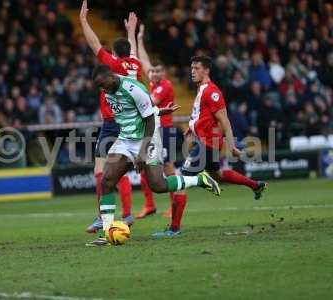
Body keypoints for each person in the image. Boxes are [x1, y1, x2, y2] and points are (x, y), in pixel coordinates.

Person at [86, 65, 221, 246]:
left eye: (104, 84)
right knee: (107, 181)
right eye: (99, 87)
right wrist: (157, 110)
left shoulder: (133, 88)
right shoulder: (107, 90)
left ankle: (200, 180)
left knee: (158, 185)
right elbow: (132, 111)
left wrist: (142, 152)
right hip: (125, 139)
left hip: (147, 137)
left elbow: (149, 121)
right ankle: (107, 232)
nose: (103, 89)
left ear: (111, 76)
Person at [152, 55, 267, 238]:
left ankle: (174, 228)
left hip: (207, 143)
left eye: (196, 68)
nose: (192, 71)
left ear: (206, 70)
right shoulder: (202, 90)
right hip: (206, 141)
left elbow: (224, 120)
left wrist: (231, 146)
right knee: (219, 174)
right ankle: (255, 185)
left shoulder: (212, 92)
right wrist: (191, 128)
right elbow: (203, 116)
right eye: (191, 68)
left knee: (180, 181)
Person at [80, 0, 140, 232]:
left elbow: (94, 44)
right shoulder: (134, 64)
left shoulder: (114, 66)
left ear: (115, 53)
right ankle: (126, 214)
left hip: (113, 123)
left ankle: (102, 217)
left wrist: (84, 21)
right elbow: (132, 50)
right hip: (131, 123)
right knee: (119, 171)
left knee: (101, 171)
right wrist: (131, 32)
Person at [135, 24, 188, 222]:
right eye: (152, 71)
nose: (154, 73)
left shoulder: (164, 86)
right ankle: (149, 204)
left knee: (167, 167)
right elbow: (144, 60)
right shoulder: (152, 83)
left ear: (163, 73)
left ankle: (177, 202)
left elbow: (152, 103)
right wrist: (139, 38)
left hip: (165, 131)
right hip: (153, 131)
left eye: (158, 71)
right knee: (144, 164)